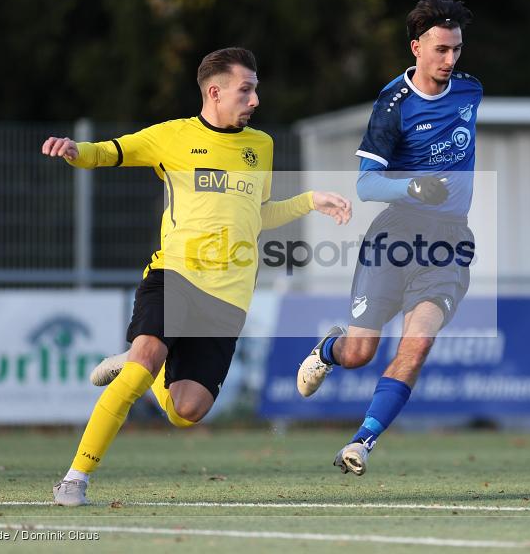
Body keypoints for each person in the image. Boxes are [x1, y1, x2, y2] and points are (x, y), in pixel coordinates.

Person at [42, 47, 351, 505]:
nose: (255, 100)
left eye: (256, 89)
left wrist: (309, 201)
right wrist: (75, 152)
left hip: (227, 298)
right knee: (145, 360)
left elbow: (255, 215)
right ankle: (75, 478)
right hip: (175, 273)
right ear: (215, 91)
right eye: (246, 90)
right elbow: (110, 153)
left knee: (188, 411)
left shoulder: (260, 146)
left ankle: (136, 363)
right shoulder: (172, 137)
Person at [296, 0, 482, 475]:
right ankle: (328, 349)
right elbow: (365, 182)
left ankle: (362, 442)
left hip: (448, 243)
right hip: (396, 236)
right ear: (416, 47)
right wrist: (413, 183)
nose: (450, 60)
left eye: (457, 49)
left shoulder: (469, 91)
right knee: (360, 353)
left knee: (417, 343)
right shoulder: (392, 105)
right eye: (441, 49)